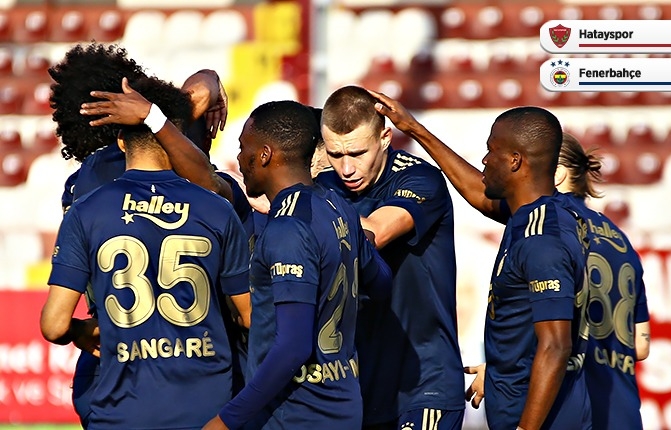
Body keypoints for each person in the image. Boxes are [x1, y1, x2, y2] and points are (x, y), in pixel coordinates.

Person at [49, 42, 247, 427]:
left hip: (113, 365)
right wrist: (156, 115)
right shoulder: (180, 160)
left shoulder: (83, 188)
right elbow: (202, 89)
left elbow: (54, 323)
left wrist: (77, 330)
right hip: (197, 370)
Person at [368, 91, 592, 430]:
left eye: (492, 151)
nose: (485, 160)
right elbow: (478, 193)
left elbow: (556, 346)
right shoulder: (533, 213)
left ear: (515, 161)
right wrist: (414, 128)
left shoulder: (543, 241)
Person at [199, 100, 391, 429]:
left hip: (296, 413)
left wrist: (225, 421)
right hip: (343, 407)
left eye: (244, 148)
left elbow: (292, 347)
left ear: (264, 155)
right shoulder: (337, 206)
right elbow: (381, 282)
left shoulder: (288, 228)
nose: (240, 158)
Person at [315, 85, 465, 430]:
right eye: (336, 155)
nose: (347, 168)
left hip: (424, 385)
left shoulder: (421, 178)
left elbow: (375, 233)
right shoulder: (324, 186)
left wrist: (293, 200)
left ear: (385, 137)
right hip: (359, 387)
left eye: (357, 153)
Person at [556, 133, 650, 430]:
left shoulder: (552, 224)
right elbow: (641, 346)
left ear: (558, 174)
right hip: (622, 411)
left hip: (572, 408)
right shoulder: (621, 240)